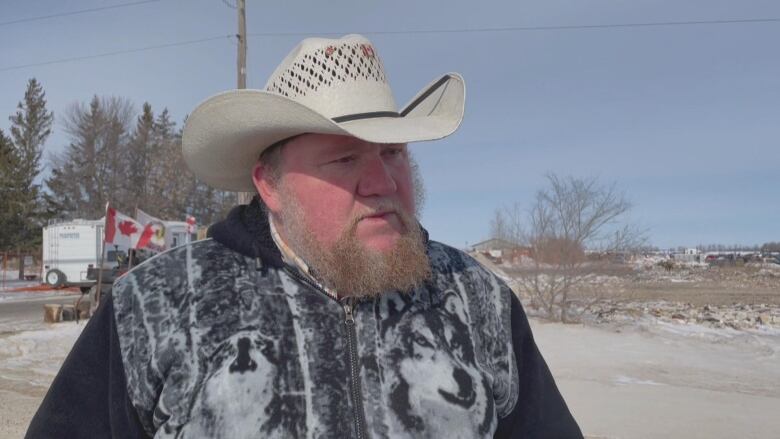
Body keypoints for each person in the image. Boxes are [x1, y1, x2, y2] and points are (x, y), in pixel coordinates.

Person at [27, 34, 582, 438]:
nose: (382, 183)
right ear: (270, 184)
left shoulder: (477, 298)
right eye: (344, 158)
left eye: (393, 153)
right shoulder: (157, 303)